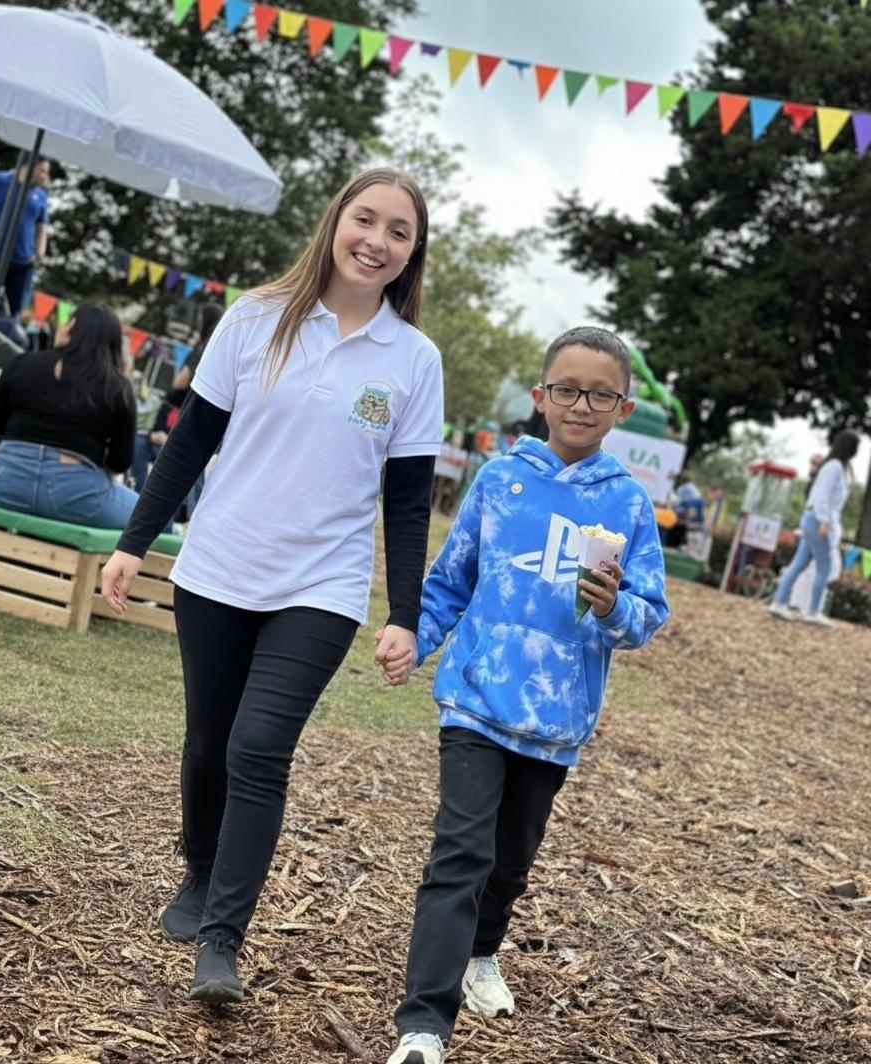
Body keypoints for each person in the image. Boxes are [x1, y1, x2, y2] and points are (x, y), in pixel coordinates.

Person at [99, 168, 444, 1005]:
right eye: (366, 219)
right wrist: (133, 543)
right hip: (218, 566)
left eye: (399, 232)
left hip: (319, 587)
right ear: (336, 223)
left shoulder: (414, 360)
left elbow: (406, 500)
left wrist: (404, 613)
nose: (378, 240)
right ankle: (199, 871)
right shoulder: (254, 318)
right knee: (209, 742)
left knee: (259, 748)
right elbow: (188, 445)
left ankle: (222, 938)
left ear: (411, 253)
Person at [380, 326, 669, 1064]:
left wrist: (613, 609)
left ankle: (482, 954)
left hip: (556, 717)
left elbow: (648, 616)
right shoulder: (500, 481)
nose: (581, 404)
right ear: (541, 397)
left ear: (622, 407)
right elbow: (452, 578)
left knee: (510, 862)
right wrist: (415, 634)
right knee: (460, 854)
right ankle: (423, 1026)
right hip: (476, 698)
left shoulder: (630, 506)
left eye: (600, 394)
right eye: (566, 389)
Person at [0, 304, 138, 526]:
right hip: (75, 496)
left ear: (70, 326)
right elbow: (120, 461)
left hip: (5, 483)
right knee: (156, 519)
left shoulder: (23, 363)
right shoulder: (116, 387)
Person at [768, 430, 860, 627]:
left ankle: (779, 602)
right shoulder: (834, 467)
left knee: (799, 563)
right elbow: (823, 496)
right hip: (818, 520)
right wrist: (824, 521)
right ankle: (813, 611)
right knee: (824, 568)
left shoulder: (837, 467)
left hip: (813, 518)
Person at [0, 159, 50, 316]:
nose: (45, 176)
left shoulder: (41, 196)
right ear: (28, 166)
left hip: (22, 261)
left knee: (13, 311)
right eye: (42, 171)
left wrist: (39, 254)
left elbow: (42, 227)